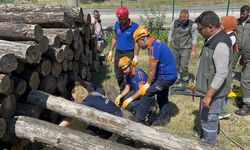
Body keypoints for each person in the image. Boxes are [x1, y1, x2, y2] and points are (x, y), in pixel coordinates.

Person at [195, 11, 232, 145]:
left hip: (214, 92)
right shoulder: (211, 39)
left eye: (200, 29)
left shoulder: (220, 44)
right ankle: (206, 136)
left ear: (210, 27)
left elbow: (221, 73)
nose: (199, 32)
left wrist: (209, 95)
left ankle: (208, 144)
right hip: (208, 87)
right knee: (205, 115)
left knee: (209, 118)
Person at [133, 26, 177, 126]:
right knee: (161, 95)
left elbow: (152, 69)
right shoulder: (156, 42)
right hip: (167, 75)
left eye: (138, 42)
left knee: (146, 93)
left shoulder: (153, 47)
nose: (138, 45)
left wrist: (147, 84)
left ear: (142, 39)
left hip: (166, 77)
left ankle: (138, 120)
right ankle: (164, 119)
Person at [107, 6, 139, 92]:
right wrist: (110, 51)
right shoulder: (117, 24)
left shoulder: (134, 26)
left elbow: (137, 42)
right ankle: (122, 90)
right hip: (118, 52)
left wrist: (136, 55)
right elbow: (114, 38)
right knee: (118, 73)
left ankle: (131, 90)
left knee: (129, 73)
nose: (119, 20)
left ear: (126, 18)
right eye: (118, 18)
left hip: (129, 53)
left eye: (120, 19)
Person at [167, 9, 198, 86]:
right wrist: (168, 47)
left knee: (184, 65)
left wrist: (193, 51)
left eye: (185, 20)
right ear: (179, 17)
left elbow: (194, 38)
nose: (183, 21)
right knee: (175, 64)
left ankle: (185, 79)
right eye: (182, 20)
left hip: (186, 48)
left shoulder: (192, 25)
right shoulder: (174, 23)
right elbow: (170, 35)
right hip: (175, 47)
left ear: (188, 17)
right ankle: (177, 78)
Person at [219, 16, 238, 119]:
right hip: (223, 65)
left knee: (223, 87)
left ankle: (223, 111)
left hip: (225, 67)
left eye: (222, 23)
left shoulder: (231, 36)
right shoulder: (225, 34)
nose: (220, 25)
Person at [235, 5, 250, 116]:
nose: (242, 15)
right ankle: (244, 98)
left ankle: (247, 106)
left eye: (244, 13)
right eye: (241, 13)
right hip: (240, 51)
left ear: (249, 12)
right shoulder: (238, 22)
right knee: (244, 77)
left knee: (245, 80)